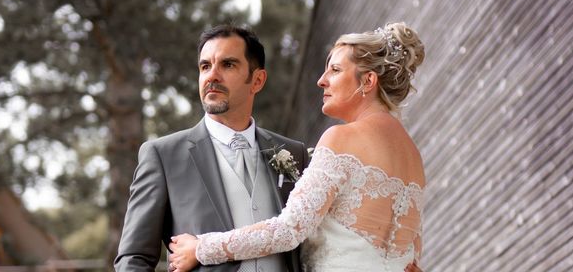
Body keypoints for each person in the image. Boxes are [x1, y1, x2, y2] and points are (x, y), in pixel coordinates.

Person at [169, 23, 426, 272]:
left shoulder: (342, 139)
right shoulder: (414, 157)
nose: (321, 81)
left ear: (368, 81)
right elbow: (412, 258)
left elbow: (288, 230)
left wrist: (202, 248)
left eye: (335, 70)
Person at [115, 25, 309, 271]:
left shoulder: (293, 153)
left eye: (228, 65)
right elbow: (134, 258)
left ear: (257, 80)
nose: (212, 76)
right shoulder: (163, 156)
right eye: (205, 66)